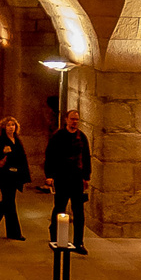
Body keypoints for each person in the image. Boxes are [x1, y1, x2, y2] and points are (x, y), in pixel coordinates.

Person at [44, 108, 91, 254]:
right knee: (59, 208)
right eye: (72, 119)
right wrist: (49, 175)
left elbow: (86, 157)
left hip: (76, 178)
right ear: (66, 120)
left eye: (77, 119)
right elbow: (50, 156)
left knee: (79, 211)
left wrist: (86, 177)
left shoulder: (81, 137)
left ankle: (78, 242)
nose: (75, 122)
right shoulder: (58, 136)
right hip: (62, 177)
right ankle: (55, 237)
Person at [0, 116, 29, 240]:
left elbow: (22, 158)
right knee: (10, 202)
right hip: (4, 175)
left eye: (13, 125)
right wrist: (2, 156)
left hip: (15, 175)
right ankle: (14, 232)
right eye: (8, 125)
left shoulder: (17, 140)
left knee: (7, 201)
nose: (11, 127)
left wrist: (24, 174)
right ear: (3, 127)